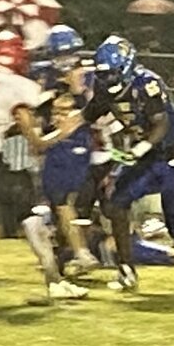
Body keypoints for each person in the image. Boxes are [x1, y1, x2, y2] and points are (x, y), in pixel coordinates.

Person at [0, 31, 88, 299]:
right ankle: (54, 279)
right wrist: (49, 137)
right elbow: (29, 129)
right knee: (28, 208)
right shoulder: (17, 83)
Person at [82, 35, 174, 291]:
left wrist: (141, 147)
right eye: (105, 74)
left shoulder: (147, 83)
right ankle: (126, 269)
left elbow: (161, 123)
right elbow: (87, 115)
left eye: (113, 73)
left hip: (170, 154)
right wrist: (57, 134)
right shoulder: (104, 87)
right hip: (146, 156)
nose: (109, 80)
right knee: (115, 202)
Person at [37, 25, 100, 274]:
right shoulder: (48, 75)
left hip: (72, 143)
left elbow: (91, 110)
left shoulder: (85, 75)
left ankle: (82, 252)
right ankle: (74, 250)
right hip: (71, 145)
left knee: (63, 202)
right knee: (64, 204)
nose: (65, 60)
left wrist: (74, 89)